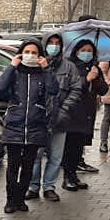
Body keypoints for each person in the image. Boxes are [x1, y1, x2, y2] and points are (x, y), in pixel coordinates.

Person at [0, 40, 57, 214]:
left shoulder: (42, 73)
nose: (30, 55)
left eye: (34, 52)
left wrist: (46, 69)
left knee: (28, 166)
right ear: (21, 53)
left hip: (35, 125)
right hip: (15, 124)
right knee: (13, 166)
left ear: (39, 56)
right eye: (27, 51)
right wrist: (11, 66)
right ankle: (10, 200)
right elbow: (0, 88)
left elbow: (53, 90)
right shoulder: (15, 72)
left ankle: (20, 199)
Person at [26, 31, 83, 202]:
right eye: (51, 42)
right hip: (39, 118)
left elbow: (76, 89)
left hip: (60, 119)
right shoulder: (34, 64)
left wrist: (64, 110)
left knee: (56, 156)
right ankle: (33, 186)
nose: (54, 46)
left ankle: (49, 186)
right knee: (35, 156)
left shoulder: (68, 67)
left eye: (58, 43)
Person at [63, 40, 108, 190]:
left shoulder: (95, 68)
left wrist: (96, 78)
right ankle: (67, 177)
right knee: (70, 146)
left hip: (87, 113)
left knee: (79, 147)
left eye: (90, 50)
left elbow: (103, 90)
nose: (87, 53)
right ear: (77, 51)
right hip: (72, 112)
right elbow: (70, 87)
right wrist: (86, 79)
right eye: (83, 50)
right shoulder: (70, 67)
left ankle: (74, 176)